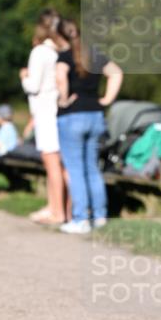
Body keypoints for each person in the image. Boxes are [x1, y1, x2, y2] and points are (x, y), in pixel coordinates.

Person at [56, 19, 123, 233]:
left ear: (61, 37)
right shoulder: (96, 54)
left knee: (75, 170)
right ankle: (100, 215)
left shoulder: (64, 55)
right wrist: (106, 99)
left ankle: (80, 219)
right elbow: (116, 72)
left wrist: (63, 99)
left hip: (72, 116)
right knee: (92, 168)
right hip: (95, 114)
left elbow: (59, 77)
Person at [20, 17, 67, 225]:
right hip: (56, 110)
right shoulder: (58, 52)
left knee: (52, 163)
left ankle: (57, 211)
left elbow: (33, 86)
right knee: (58, 163)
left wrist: (24, 76)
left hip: (45, 111)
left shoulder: (39, 52)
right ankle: (57, 207)